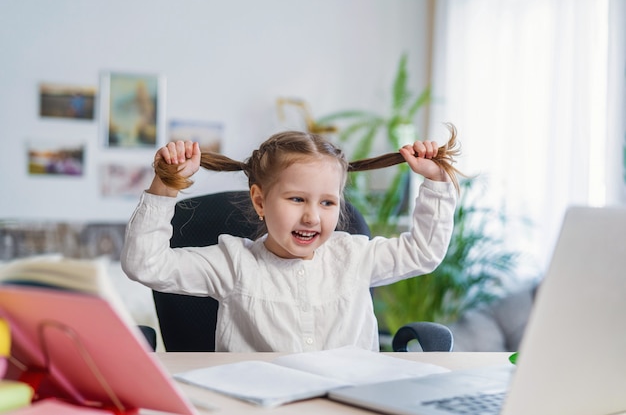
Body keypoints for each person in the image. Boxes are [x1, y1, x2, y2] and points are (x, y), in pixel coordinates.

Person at [121, 125, 462, 352]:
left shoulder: (355, 256)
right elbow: (146, 264)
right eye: (297, 199)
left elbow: (424, 252)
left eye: (327, 202)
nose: (313, 216)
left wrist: (435, 182)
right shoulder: (232, 263)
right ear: (260, 201)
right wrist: (165, 187)